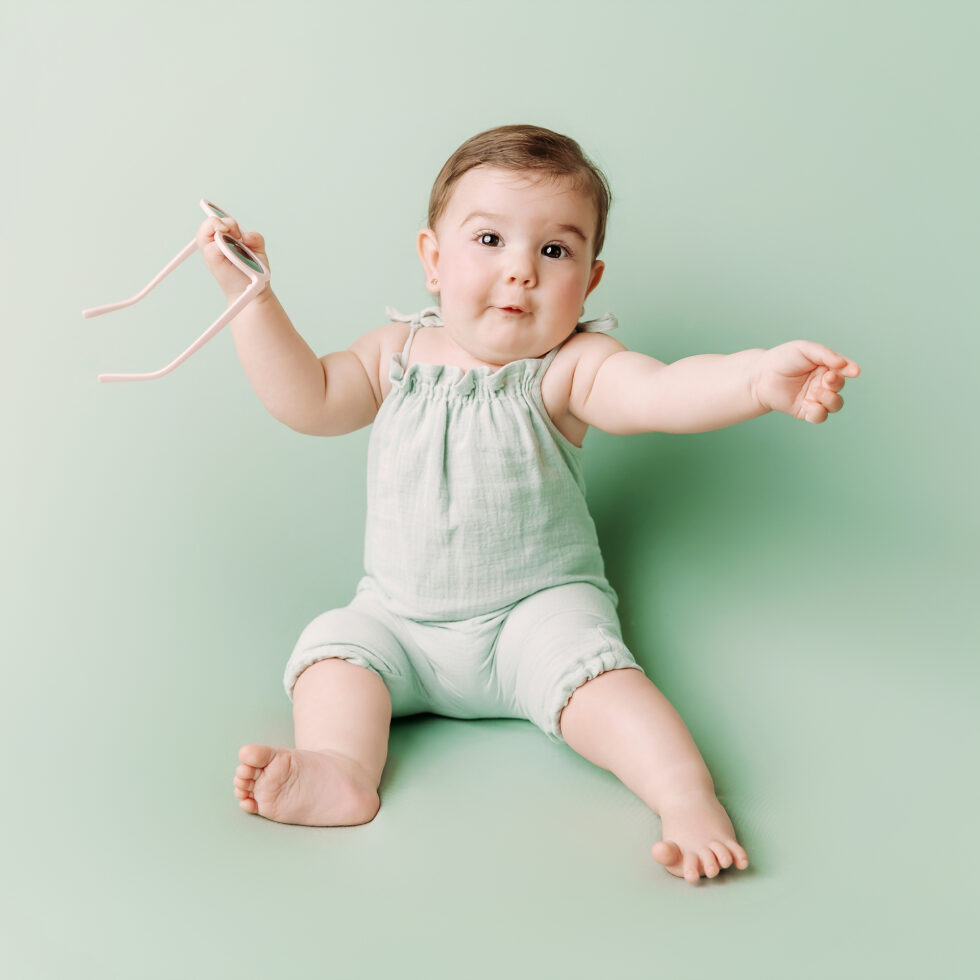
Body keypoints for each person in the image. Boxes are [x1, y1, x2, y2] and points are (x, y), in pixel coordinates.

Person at [205, 124, 860, 883]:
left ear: (589, 280)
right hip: (399, 621)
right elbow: (308, 398)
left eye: (554, 250)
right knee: (333, 646)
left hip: (535, 619)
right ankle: (341, 768)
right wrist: (251, 299)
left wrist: (753, 379)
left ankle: (686, 798)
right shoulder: (394, 354)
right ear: (433, 259)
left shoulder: (570, 367)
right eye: (489, 240)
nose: (520, 270)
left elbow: (660, 392)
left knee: (607, 686)